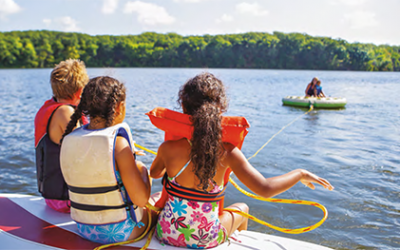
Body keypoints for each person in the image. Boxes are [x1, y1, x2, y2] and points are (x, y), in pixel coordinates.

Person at [150, 73, 334, 249]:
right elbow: (265, 189)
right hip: (205, 239)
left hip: (167, 232)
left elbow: (155, 173)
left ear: (183, 108)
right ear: (221, 108)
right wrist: (300, 174)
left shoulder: (168, 148)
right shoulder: (229, 152)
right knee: (242, 208)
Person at [60, 76, 152, 244]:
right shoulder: (118, 145)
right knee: (154, 214)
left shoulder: (70, 138)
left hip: (83, 227)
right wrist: (143, 171)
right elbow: (141, 200)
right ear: (119, 107)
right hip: (119, 233)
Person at [34, 59, 89, 213]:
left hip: (53, 197)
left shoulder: (48, 108)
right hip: (67, 199)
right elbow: (85, 151)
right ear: (80, 92)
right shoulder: (66, 112)